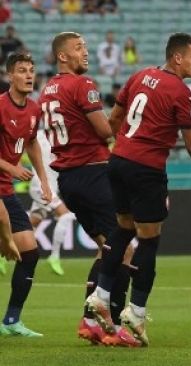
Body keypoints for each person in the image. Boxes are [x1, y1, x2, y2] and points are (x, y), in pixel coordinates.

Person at [85, 33, 191, 347]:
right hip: (147, 168)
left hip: (118, 161)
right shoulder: (181, 92)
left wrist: (122, 145)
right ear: (177, 57)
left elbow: (115, 117)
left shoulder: (139, 75)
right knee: (149, 239)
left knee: (123, 228)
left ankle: (100, 295)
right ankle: (137, 313)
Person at [39, 32, 138, 347]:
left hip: (68, 180)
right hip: (93, 173)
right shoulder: (82, 85)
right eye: (78, 48)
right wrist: (125, 116)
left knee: (106, 248)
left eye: (85, 47)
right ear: (63, 56)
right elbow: (104, 131)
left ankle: (90, 322)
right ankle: (114, 324)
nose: (86, 52)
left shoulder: (47, 90)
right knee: (125, 248)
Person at [0, 52, 53, 337]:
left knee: (29, 253)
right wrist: (12, 166)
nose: (29, 75)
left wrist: (44, 181)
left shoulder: (34, 109)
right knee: (7, 238)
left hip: (5, 190)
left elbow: (32, 143)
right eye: (22, 70)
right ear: (10, 76)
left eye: (31, 70)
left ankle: (11, 321)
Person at [28, 128, 76, 276]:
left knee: (30, 225)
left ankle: (2, 254)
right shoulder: (39, 136)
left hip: (51, 187)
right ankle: (54, 256)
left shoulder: (63, 139)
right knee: (66, 215)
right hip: (41, 186)